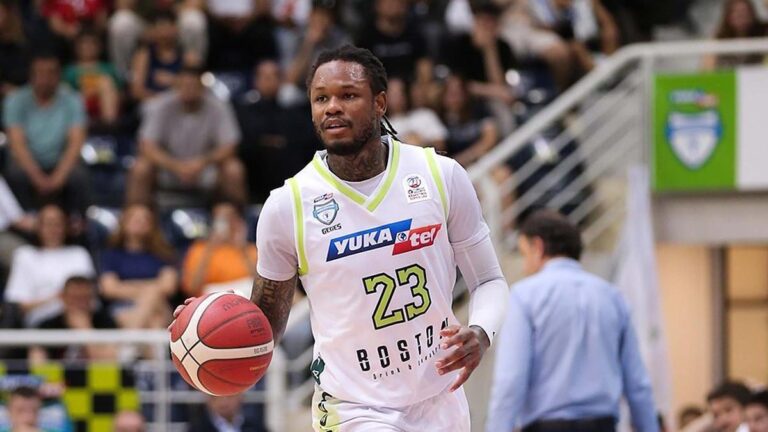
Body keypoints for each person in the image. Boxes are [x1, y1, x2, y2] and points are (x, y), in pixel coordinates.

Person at [172, 45, 509, 431]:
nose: (332, 107)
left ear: (380, 103)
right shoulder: (288, 206)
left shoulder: (439, 175)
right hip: (353, 407)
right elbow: (264, 324)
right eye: (321, 98)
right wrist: (205, 321)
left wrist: (481, 332)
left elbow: (489, 279)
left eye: (348, 95)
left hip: (441, 398)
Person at [486, 210, 658, 432]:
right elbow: (638, 384)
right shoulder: (612, 297)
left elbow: (511, 381)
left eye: (524, 254)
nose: (524, 266)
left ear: (538, 247)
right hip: (603, 426)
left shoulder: (524, 296)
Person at [125, 66, 247, 206]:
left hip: (205, 169)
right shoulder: (160, 105)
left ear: (202, 88)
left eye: (193, 86)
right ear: (176, 87)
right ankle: (135, 214)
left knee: (234, 169)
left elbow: (230, 146)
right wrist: (176, 166)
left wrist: (202, 162)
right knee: (140, 168)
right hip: (168, 168)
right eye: (183, 86)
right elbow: (146, 146)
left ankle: (236, 216)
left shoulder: (218, 106)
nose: (188, 90)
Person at [3, 54, 91, 217]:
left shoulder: (73, 99)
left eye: (51, 72)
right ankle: (23, 221)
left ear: (59, 75)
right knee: (14, 173)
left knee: (79, 175)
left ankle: (77, 222)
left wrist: (58, 177)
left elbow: (75, 142)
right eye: (40, 72)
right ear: (31, 75)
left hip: (60, 160)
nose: (46, 78)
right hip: (28, 161)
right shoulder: (15, 100)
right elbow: (17, 144)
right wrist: (37, 177)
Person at [235, 60, 320, 202]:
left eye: (273, 76)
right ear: (255, 81)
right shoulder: (243, 113)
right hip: (254, 174)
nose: (268, 81)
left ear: (281, 81)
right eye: (264, 76)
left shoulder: (294, 114)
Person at [4, 204, 95, 327]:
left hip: (82, 314)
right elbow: (18, 305)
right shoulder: (25, 255)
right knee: (76, 317)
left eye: (58, 224)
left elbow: (91, 296)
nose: (53, 229)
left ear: (66, 227)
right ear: (38, 227)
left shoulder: (79, 253)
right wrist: (58, 298)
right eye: (48, 224)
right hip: (43, 321)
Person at [98, 203, 178, 329]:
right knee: (154, 320)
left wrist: (127, 286)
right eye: (135, 219)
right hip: (123, 306)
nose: (140, 223)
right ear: (124, 223)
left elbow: (168, 287)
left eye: (145, 219)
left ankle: (130, 339)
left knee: (153, 299)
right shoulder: (112, 254)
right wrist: (150, 288)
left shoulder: (162, 254)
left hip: (160, 305)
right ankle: (147, 341)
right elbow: (109, 289)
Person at [30, 276, 117, 362]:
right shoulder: (46, 327)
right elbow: (37, 365)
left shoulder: (105, 322)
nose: (80, 305)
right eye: (75, 298)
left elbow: (108, 363)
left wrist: (85, 330)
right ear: (62, 297)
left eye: (85, 298)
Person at [181, 199, 257, 297]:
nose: (225, 224)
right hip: (212, 298)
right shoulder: (199, 249)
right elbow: (192, 288)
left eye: (229, 218)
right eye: (220, 219)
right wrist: (209, 249)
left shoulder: (250, 249)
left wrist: (242, 248)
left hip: (244, 296)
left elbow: (260, 286)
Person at [63, 28, 121, 127]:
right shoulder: (70, 71)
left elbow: (120, 92)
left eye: (92, 43)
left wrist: (96, 91)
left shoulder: (109, 69)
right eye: (84, 43)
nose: (88, 47)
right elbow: (64, 94)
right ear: (77, 47)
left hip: (105, 100)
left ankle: (109, 126)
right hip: (79, 102)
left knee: (105, 82)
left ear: (99, 47)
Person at [702, 0, 767, 70]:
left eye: (745, 13)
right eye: (737, 13)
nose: (742, 17)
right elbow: (707, 69)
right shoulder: (718, 38)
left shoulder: (763, 33)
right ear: (728, 16)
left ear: (752, 14)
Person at [188, 394, 266, 432]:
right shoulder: (197, 428)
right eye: (216, 396)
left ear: (241, 397)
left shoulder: (256, 427)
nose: (224, 402)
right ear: (208, 399)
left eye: (230, 396)